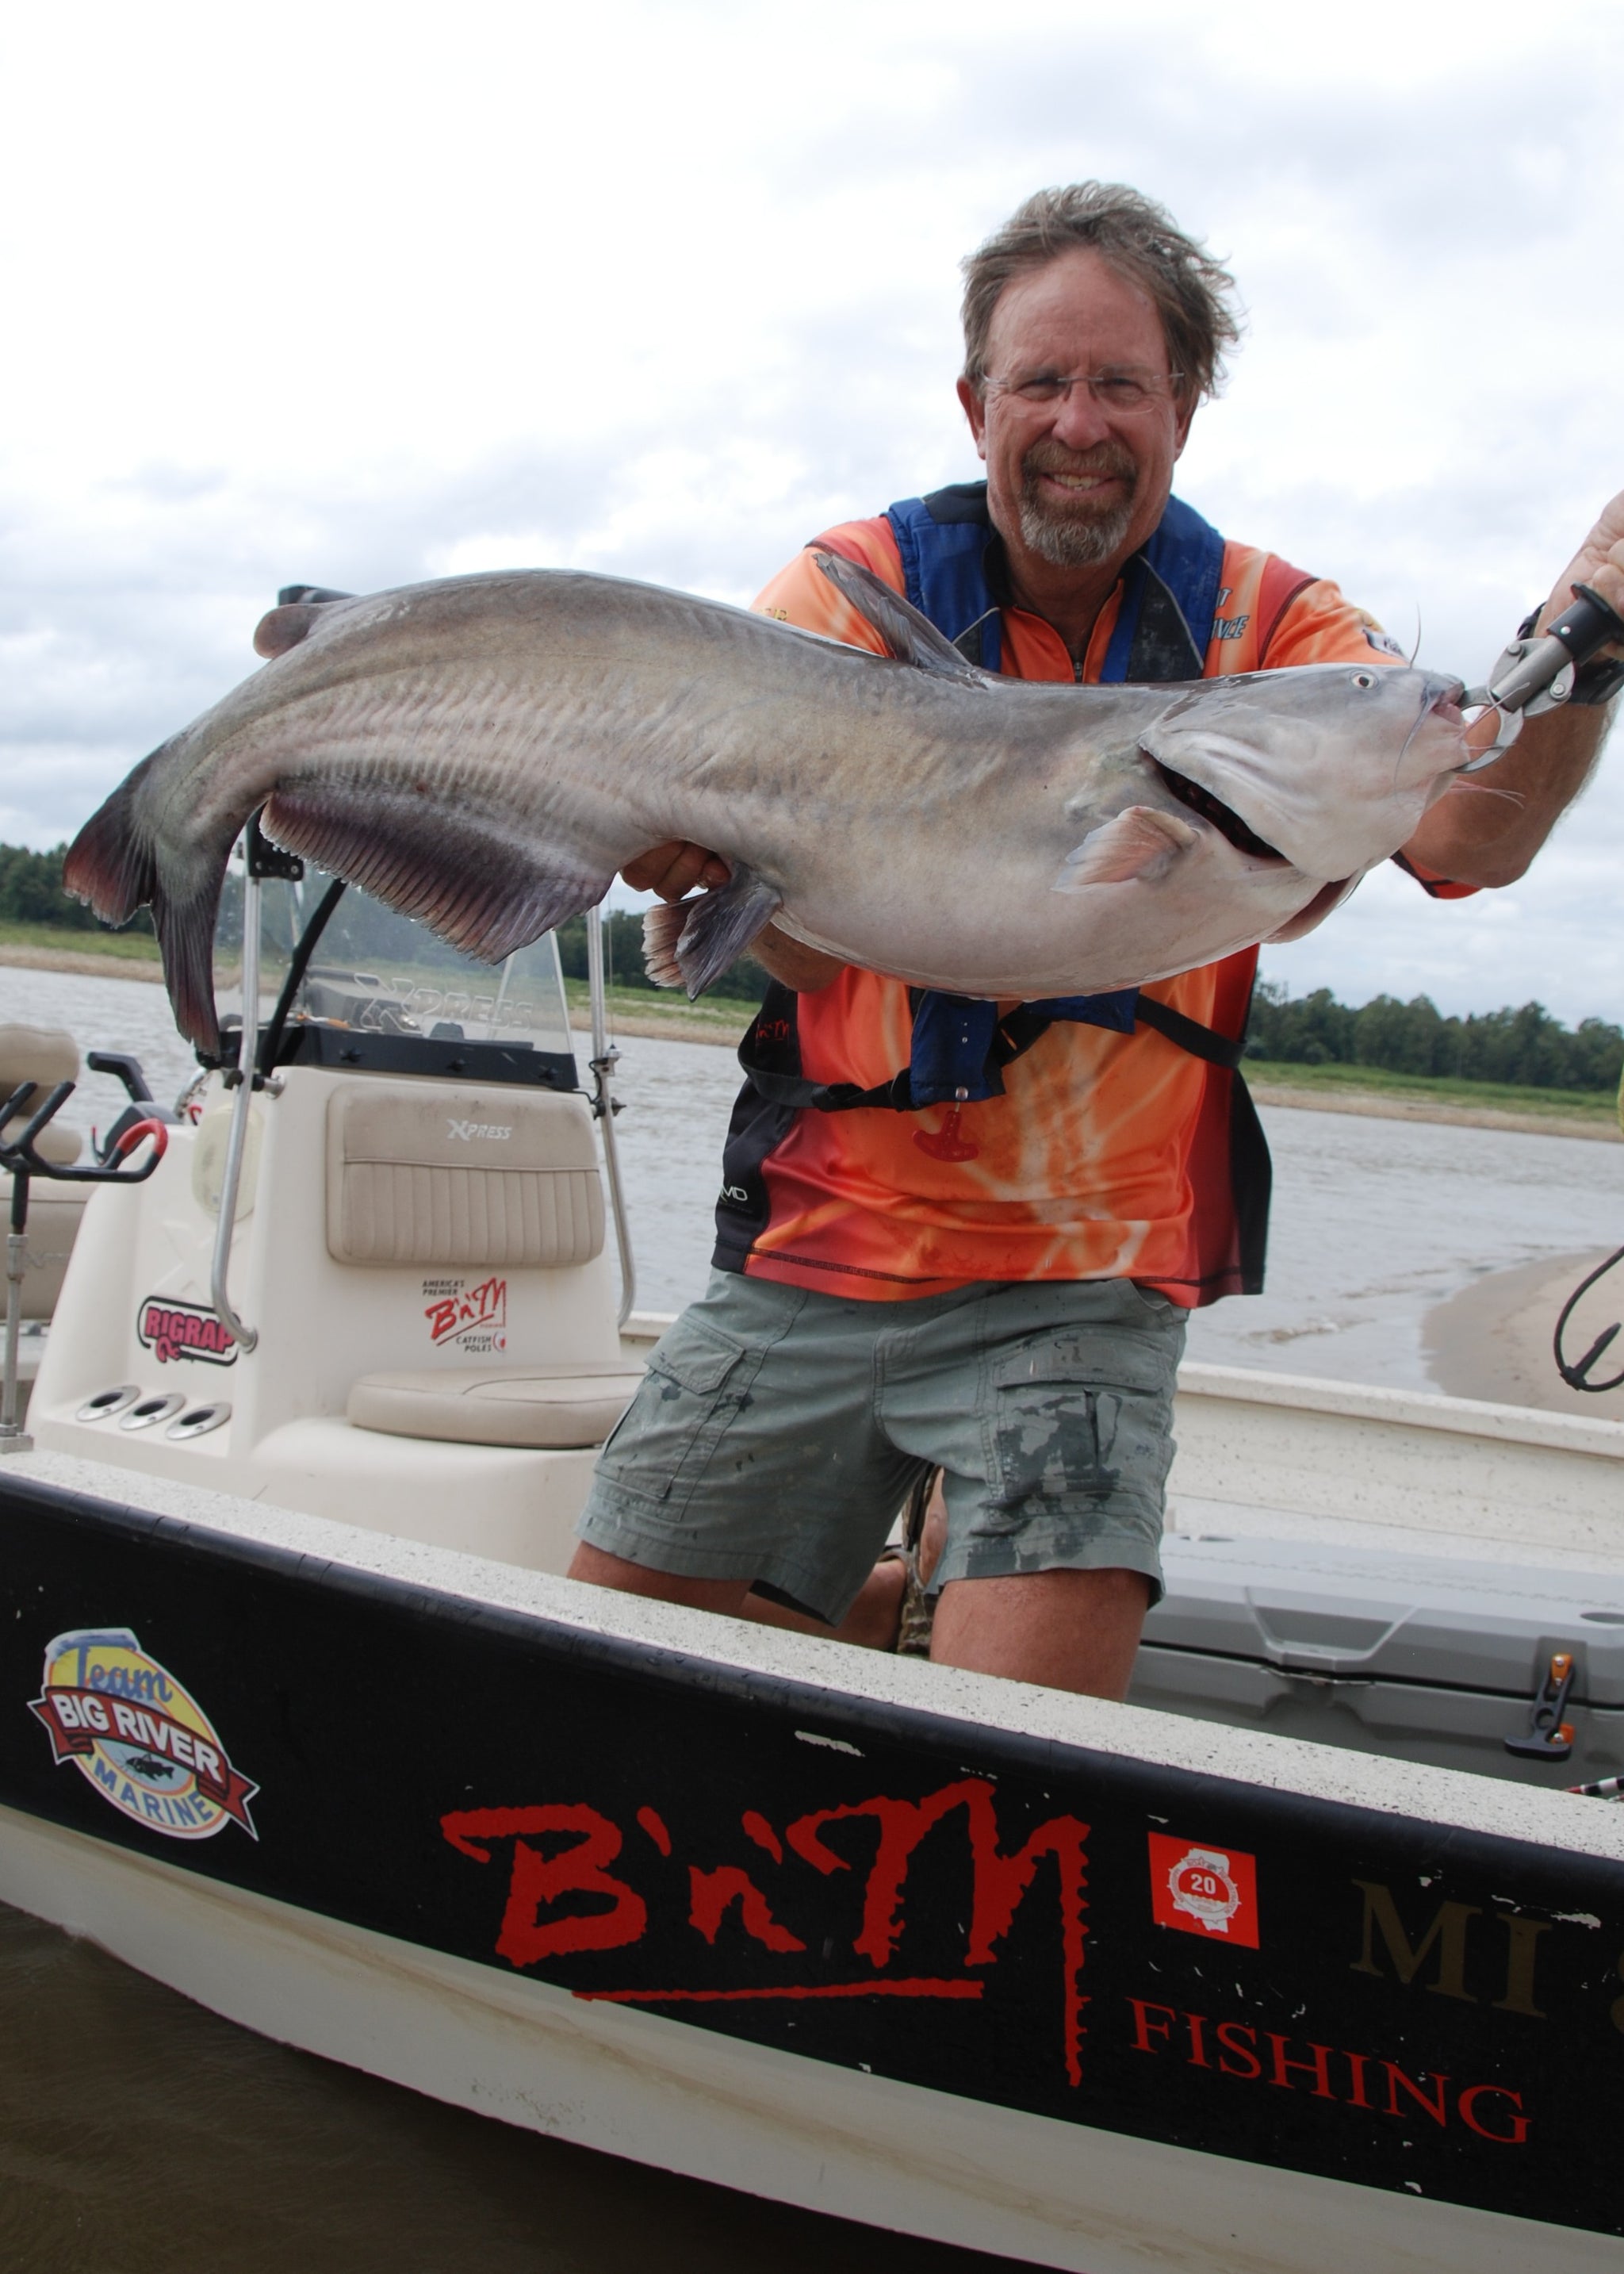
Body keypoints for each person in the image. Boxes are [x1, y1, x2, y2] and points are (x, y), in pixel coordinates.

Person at [567, 182, 1624, 1697]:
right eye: (1041, 381)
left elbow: (1475, 832)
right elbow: (783, 948)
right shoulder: (842, 599)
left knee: (1023, 1751)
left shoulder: (1281, 632)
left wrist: (1590, 644)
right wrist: (682, 866)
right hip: (820, 1234)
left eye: (1121, 382)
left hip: (1088, 1271)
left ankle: (929, 1607)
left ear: (1182, 405)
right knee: (608, 1668)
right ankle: (890, 1600)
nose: (1078, 420)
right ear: (974, 403)